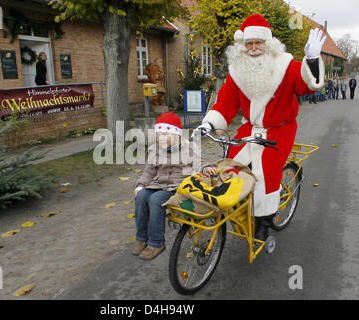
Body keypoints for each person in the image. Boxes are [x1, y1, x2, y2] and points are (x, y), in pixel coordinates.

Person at [193, 15, 325, 241]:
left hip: (279, 129)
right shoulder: (238, 70)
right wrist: (209, 123)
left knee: (266, 171)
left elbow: (306, 86)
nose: (254, 48)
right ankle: (235, 202)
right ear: (243, 46)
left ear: (268, 43)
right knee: (230, 165)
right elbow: (226, 102)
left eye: (258, 43)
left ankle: (264, 220)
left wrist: (312, 61)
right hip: (250, 128)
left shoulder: (286, 65)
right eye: (249, 43)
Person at [133, 112, 198, 260]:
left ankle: (156, 243)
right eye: (158, 135)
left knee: (155, 200)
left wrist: (207, 168)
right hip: (158, 184)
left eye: (164, 135)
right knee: (142, 197)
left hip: (177, 186)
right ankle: (141, 238)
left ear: (176, 136)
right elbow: (148, 172)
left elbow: (200, 163)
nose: (160, 138)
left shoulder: (189, 149)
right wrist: (140, 186)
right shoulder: (155, 150)